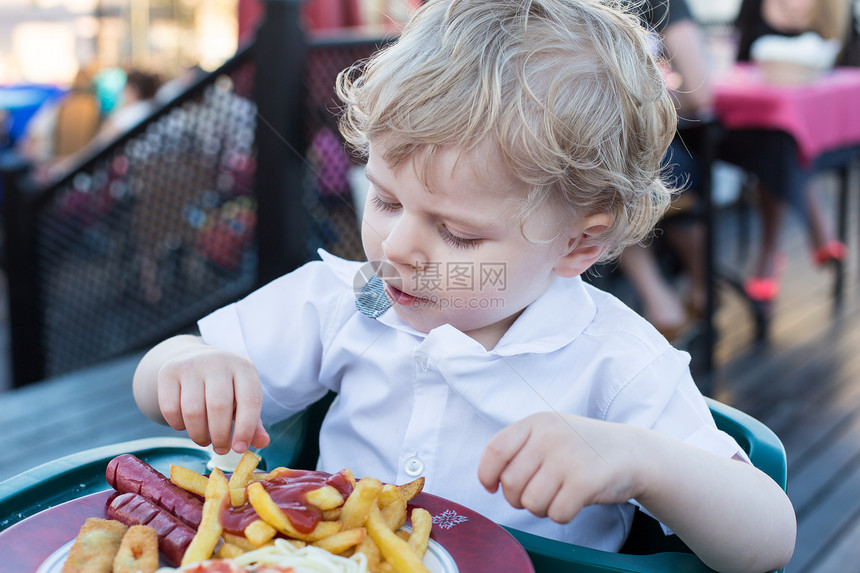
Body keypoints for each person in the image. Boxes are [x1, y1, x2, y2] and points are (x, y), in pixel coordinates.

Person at [132, 1, 795, 570]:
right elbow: (154, 380)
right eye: (386, 200)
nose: (396, 247)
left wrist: (639, 459)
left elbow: (769, 535)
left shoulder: (614, 361)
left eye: (458, 233)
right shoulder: (349, 302)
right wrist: (191, 367)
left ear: (579, 243)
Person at [721, 0, 854, 304]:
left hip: (825, 130)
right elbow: (739, 59)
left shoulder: (835, 7)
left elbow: (847, 62)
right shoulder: (754, 5)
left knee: (783, 142)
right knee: (781, 141)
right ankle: (819, 227)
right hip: (757, 125)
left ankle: (767, 255)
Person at [619, 0, 713, 341]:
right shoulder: (665, 5)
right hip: (646, 158)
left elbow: (699, 96)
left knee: (611, 181)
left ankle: (662, 300)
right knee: (625, 179)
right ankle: (697, 291)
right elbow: (699, 95)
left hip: (619, 156)